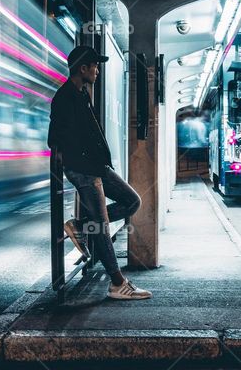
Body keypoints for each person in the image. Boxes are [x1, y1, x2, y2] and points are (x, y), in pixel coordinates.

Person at [48, 45, 152, 300]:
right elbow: (54, 139)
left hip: (97, 167)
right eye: (94, 65)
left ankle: (81, 227)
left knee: (132, 201)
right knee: (102, 226)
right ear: (83, 68)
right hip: (84, 170)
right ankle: (117, 283)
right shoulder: (64, 98)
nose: (97, 70)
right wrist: (77, 161)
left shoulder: (82, 93)